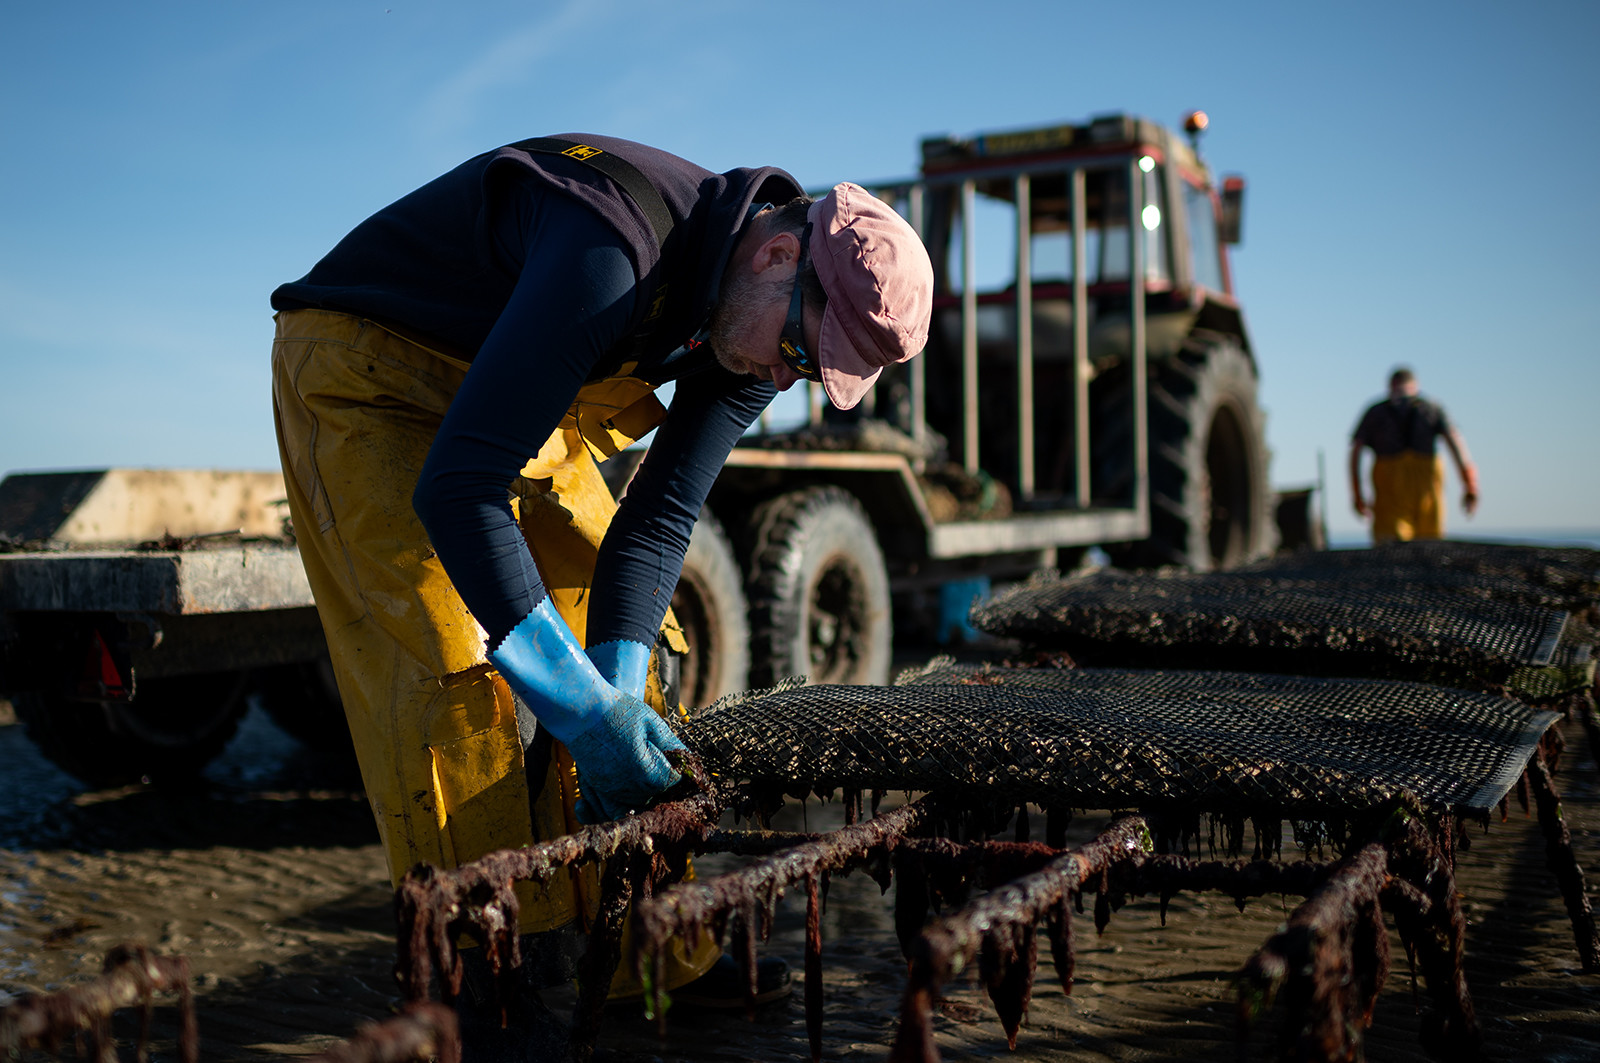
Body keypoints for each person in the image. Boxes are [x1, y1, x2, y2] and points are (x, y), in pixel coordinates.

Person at [268, 134, 934, 1028]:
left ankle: (652, 956)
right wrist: (579, 711)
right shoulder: (611, 252)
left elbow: (656, 524)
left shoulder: (757, 322)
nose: (787, 378)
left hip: (507, 369)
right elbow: (461, 489)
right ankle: (487, 985)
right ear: (779, 254)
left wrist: (611, 703)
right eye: (798, 351)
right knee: (447, 662)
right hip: (366, 371)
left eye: (811, 373)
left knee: (626, 651)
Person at [1348, 367, 1479, 543]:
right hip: (1417, 489)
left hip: (1402, 488)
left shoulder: (1376, 412)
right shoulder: (1432, 408)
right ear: (1415, 385)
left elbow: (1356, 451)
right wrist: (1469, 484)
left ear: (1391, 386)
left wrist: (1357, 494)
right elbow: (1456, 442)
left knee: (1393, 550)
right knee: (1428, 547)